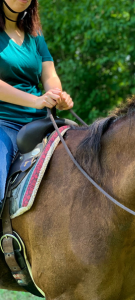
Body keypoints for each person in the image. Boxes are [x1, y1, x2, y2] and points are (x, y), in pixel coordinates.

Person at [0, 0, 73, 205]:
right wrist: (37, 100)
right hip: (4, 124)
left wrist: (56, 95)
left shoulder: (34, 33)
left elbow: (49, 74)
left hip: (41, 122)